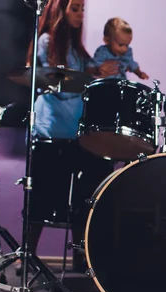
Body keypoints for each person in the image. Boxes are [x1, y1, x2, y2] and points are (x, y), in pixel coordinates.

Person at [25, 0, 117, 271]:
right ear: (59, 10)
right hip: (51, 131)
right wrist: (92, 73)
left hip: (77, 132)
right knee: (43, 193)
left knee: (82, 198)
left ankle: (80, 257)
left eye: (82, 9)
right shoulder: (45, 41)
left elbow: (88, 82)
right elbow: (63, 84)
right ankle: (27, 254)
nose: (81, 14)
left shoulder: (78, 49)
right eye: (75, 8)